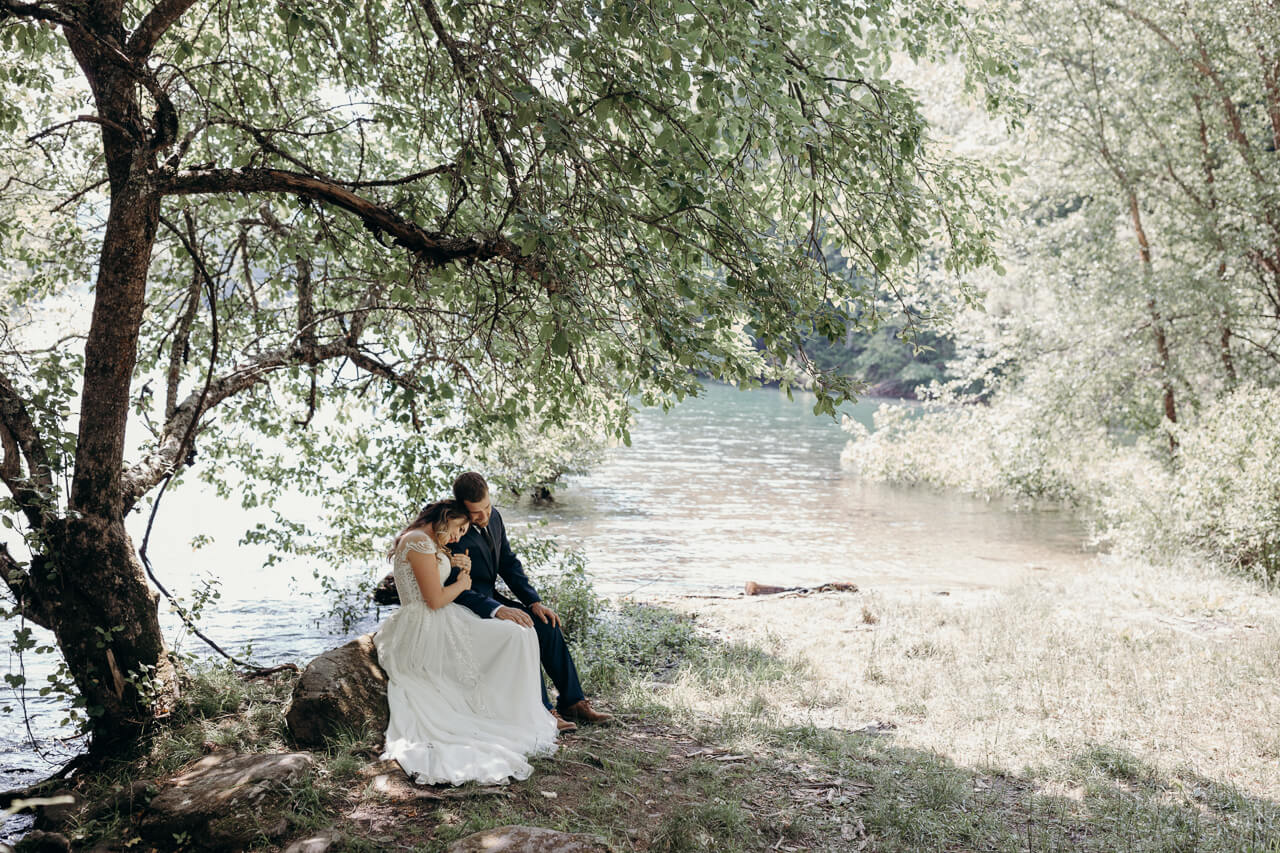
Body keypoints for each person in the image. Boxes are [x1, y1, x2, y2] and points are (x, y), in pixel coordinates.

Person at [374, 500, 558, 786]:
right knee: (514, 636)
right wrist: (461, 584)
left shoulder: (427, 540)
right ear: (446, 517)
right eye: (459, 529)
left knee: (519, 633)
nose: (459, 536)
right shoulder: (418, 541)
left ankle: (515, 709)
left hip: (442, 617)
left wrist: (455, 565)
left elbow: (432, 578)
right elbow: (434, 600)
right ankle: (506, 712)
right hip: (425, 626)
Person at [450, 472, 613, 730]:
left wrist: (533, 602)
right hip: (467, 606)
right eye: (476, 513)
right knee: (523, 630)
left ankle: (573, 702)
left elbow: (507, 563)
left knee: (546, 623)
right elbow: (452, 588)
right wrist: (497, 609)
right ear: (461, 507)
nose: (484, 516)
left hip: (492, 598)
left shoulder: (495, 517)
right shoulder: (452, 530)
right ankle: (543, 710)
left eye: (487, 507)